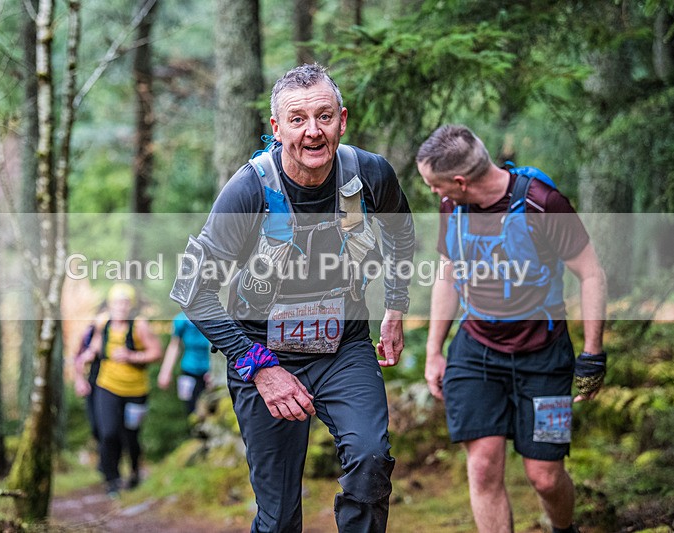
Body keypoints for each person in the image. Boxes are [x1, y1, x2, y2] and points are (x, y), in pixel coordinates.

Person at [170, 63, 415, 532]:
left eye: (324, 116)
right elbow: (194, 292)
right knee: (279, 515)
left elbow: (402, 236)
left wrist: (396, 307)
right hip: (262, 347)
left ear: (343, 119)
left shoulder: (370, 175)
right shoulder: (247, 192)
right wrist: (260, 367)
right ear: (277, 128)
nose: (313, 131)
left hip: (343, 345)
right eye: (298, 119)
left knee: (369, 460)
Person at [416, 125, 607, 533]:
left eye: (436, 185)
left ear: (460, 181)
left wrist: (593, 353)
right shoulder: (454, 207)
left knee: (546, 476)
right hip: (476, 351)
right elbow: (447, 276)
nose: (435, 193)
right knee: (483, 468)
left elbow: (591, 274)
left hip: (545, 355)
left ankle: (563, 529)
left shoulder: (542, 203)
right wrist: (435, 350)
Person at [74, 282, 162, 497]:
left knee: (131, 436)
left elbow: (156, 352)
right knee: (109, 433)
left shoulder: (139, 325)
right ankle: (112, 480)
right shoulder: (103, 325)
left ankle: (134, 471)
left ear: (130, 305)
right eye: (117, 302)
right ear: (111, 305)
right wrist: (84, 364)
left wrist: (132, 356)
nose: (121, 307)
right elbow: (91, 349)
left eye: (125, 303)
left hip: (136, 390)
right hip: (108, 386)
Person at [157, 311, 212, 414]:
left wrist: (215, 373)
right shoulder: (181, 320)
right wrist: (165, 371)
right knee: (190, 409)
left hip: (208, 373)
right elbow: (174, 346)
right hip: (188, 370)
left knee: (209, 409)